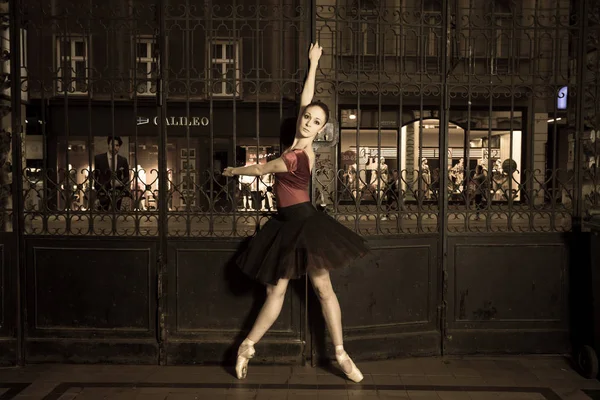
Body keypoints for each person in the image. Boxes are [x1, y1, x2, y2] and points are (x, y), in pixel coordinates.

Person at [223, 42, 368, 383]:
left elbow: (263, 170)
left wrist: (234, 171)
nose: (308, 121)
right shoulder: (295, 141)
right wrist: (313, 64)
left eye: (316, 121)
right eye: (307, 117)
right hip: (287, 224)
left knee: (322, 289)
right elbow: (306, 99)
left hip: (305, 222)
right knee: (276, 291)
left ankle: (341, 354)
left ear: (321, 129)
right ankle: (246, 347)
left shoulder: (298, 156)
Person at [93, 136, 131, 211]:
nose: (114, 147)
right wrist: (97, 188)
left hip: (117, 192)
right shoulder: (99, 158)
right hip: (103, 191)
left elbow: (127, 176)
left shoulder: (123, 160)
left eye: (117, 145)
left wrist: (120, 183)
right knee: (102, 216)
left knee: (117, 215)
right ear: (108, 145)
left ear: (119, 147)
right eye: (112, 145)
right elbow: (96, 175)